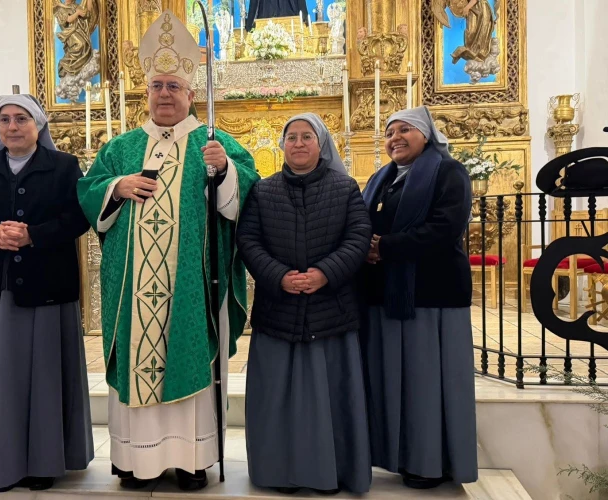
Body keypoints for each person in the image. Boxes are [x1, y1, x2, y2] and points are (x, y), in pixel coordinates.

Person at [77, 10, 258, 492]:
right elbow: (89, 190)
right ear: (147, 92)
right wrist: (116, 187)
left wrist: (225, 173)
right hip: (132, 289)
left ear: (191, 95)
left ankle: (193, 460)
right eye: (157, 86)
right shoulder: (121, 148)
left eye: (173, 87)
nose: (164, 95)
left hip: (192, 288)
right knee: (136, 366)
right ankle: (135, 464)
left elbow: (249, 197)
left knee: (190, 363)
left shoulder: (214, 143)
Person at [0, 94, 94, 493]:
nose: (12, 126)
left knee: (44, 378)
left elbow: (79, 216)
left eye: (21, 119)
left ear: (38, 126)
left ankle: (44, 463)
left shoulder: (63, 167)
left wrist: (35, 236)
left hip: (47, 291)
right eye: (5, 119)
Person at [237, 113, 372, 495]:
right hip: (278, 310)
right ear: (282, 145)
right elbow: (248, 240)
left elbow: (358, 237)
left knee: (331, 398)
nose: (298, 143)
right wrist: (279, 275)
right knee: (276, 398)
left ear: (321, 143)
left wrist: (324, 273)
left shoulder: (345, 188)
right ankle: (276, 472)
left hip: (331, 310)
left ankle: (332, 472)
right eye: (291, 137)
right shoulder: (263, 191)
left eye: (306, 136)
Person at [360, 106, 477, 489]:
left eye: (404, 129)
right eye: (390, 131)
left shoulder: (448, 172)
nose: (395, 137)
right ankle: (399, 456)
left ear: (426, 134)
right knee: (394, 383)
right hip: (386, 297)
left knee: (428, 385)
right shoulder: (382, 178)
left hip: (433, 297)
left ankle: (430, 464)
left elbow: (446, 227)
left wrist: (385, 247)